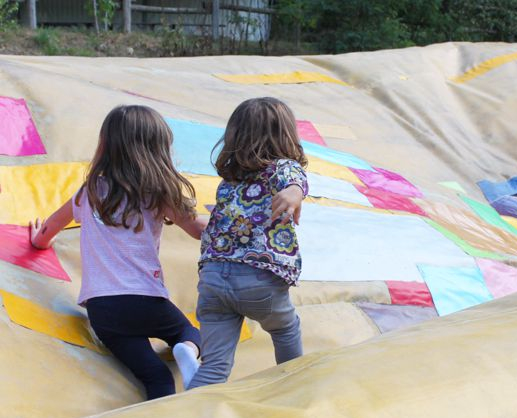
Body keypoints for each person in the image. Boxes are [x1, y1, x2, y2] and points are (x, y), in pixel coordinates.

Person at [29, 105, 206, 400]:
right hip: (147, 300)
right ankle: (187, 350)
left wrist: (38, 240)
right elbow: (198, 229)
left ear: (105, 145)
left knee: (155, 375)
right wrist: (232, 222)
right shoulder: (158, 193)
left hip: (104, 310)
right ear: (158, 151)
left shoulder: (90, 192)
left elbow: (51, 228)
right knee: (190, 333)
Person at [186, 97, 309, 389]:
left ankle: (187, 414)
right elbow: (294, 180)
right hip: (257, 280)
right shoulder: (284, 169)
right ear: (286, 134)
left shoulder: (229, 181)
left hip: (213, 281)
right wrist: (294, 193)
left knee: (214, 367)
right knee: (286, 330)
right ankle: (294, 387)